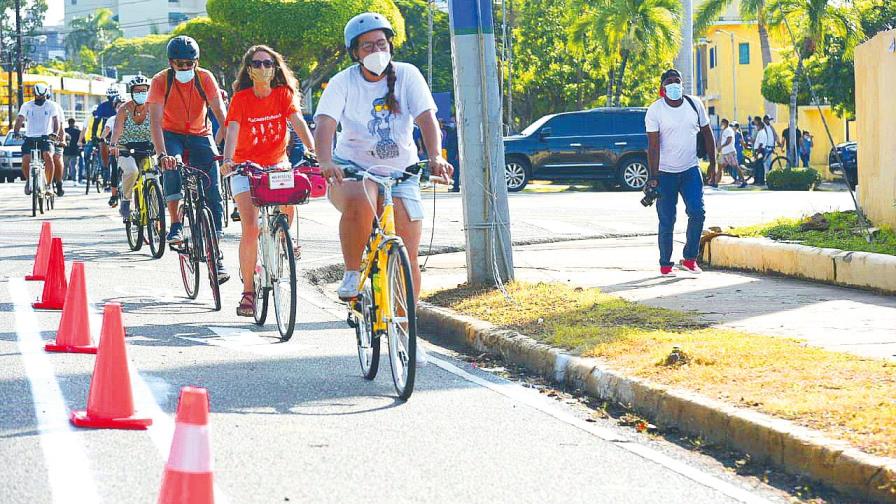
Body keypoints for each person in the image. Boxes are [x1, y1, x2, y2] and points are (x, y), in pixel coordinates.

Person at [314, 13, 453, 328]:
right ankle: (352, 273)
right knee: (363, 199)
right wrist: (325, 161)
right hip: (353, 170)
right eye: (367, 46)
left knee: (408, 253)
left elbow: (427, 118)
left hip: (401, 173)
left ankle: (405, 330)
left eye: (381, 44)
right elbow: (325, 123)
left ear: (390, 45)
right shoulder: (343, 82)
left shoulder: (408, 75)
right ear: (355, 52)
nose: (375, 50)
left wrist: (435, 156)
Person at [220, 44, 315, 316]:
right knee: (251, 227)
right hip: (245, 167)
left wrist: (313, 150)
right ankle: (248, 292)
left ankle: (283, 237)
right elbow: (232, 130)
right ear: (249, 70)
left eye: (268, 63)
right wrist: (228, 161)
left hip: (276, 164)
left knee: (289, 202)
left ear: (275, 69)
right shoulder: (241, 99)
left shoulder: (283, 94)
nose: (263, 68)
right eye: (257, 64)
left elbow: (298, 122)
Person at [148, 35, 229, 282]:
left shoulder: (205, 78)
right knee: (171, 167)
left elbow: (222, 115)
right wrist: (162, 155)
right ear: (170, 63)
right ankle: (175, 224)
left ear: (197, 62)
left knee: (213, 190)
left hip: (200, 134)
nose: (184, 68)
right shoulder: (160, 81)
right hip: (170, 133)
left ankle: (216, 252)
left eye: (189, 64)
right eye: (179, 64)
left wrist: (228, 149)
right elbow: (155, 122)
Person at [644, 68, 715, 277]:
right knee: (667, 219)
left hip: (690, 170)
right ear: (662, 87)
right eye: (669, 82)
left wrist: (713, 163)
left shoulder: (695, 104)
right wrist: (653, 177)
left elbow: (707, 134)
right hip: (665, 174)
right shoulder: (655, 110)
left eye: (677, 81)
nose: (674, 84)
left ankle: (690, 259)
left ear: (682, 84)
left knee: (697, 212)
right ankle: (666, 264)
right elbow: (653, 146)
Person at [110, 75, 153, 222]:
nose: (141, 93)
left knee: (154, 175)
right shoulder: (124, 109)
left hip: (147, 147)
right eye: (137, 91)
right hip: (125, 148)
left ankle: (157, 213)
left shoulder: (153, 107)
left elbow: (161, 126)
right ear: (132, 92)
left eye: (144, 90)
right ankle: (126, 201)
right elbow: (117, 129)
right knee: (132, 171)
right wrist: (113, 144)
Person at [13, 83, 58, 196]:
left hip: (45, 137)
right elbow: (20, 119)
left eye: (42, 96)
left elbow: (55, 120)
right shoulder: (26, 105)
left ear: (46, 95)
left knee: (48, 156)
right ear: (34, 94)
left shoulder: (51, 105)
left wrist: (54, 133)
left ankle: (49, 185)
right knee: (25, 159)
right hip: (30, 137)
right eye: (38, 96)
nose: (40, 98)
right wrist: (16, 132)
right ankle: (29, 180)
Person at [93, 86, 122, 194]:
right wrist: (95, 136)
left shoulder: (126, 110)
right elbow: (97, 122)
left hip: (123, 137)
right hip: (108, 134)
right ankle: (106, 172)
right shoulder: (103, 107)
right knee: (103, 148)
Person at [101, 99, 125, 207]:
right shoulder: (112, 119)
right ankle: (114, 195)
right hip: (115, 147)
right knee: (114, 169)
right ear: (115, 108)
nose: (120, 108)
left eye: (123, 106)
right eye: (118, 106)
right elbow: (106, 131)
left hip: (130, 148)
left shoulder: (132, 117)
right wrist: (102, 138)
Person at [751, 115, 774, 186]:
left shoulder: (762, 133)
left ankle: (760, 181)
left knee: (760, 166)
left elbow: (760, 144)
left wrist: (757, 152)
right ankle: (756, 180)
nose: (756, 127)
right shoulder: (760, 132)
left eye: (758, 126)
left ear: (760, 126)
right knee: (757, 165)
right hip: (758, 150)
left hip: (760, 151)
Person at [63, 118, 83, 184]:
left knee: (65, 166)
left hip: (65, 151)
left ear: (68, 123)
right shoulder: (78, 131)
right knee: (73, 166)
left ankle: (64, 179)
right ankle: (74, 180)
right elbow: (82, 141)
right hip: (74, 151)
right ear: (74, 123)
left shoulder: (65, 130)